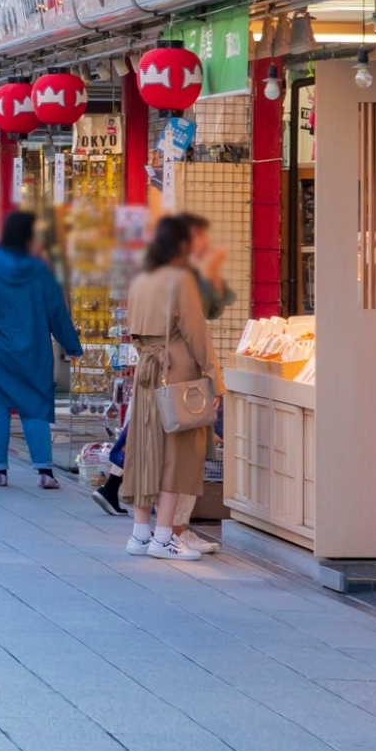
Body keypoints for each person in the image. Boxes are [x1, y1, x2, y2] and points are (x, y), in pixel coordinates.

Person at [0, 209, 82, 488]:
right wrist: (72, 346)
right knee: (34, 408)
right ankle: (45, 471)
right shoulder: (40, 271)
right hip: (31, 353)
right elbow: (57, 312)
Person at [122, 214, 216, 561]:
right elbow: (197, 334)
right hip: (177, 376)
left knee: (145, 452)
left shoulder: (141, 279)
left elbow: (134, 331)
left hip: (147, 372)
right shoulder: (181, 280)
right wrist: (214, 380)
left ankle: (139, 533)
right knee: (177, 455)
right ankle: (164, 538)